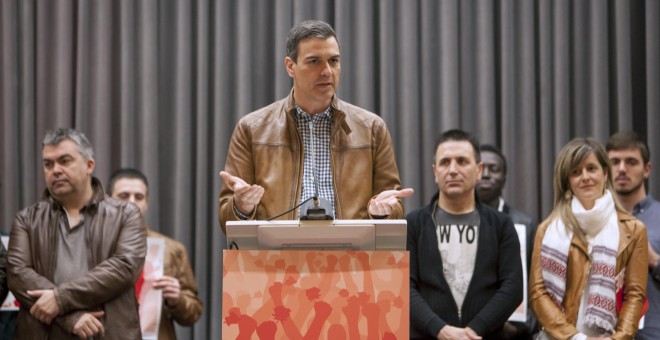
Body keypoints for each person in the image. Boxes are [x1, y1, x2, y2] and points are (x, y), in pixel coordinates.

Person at [218, 20, 413, 232]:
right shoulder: (251, 129)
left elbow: (394, 208)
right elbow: (227, 221)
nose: (327, 71)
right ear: (290, 66)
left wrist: (382, 212)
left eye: (334, 60)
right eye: (314, 61)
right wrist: (242, 206)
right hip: (276, 259)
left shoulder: (372, 128)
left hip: (352, 257)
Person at [7, 128, 146, 339]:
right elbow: (18, 275)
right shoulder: (27, 219)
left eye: (65, 161)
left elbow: (124, 267)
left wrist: (61, 298)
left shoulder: (126, 214)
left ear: (89, 165)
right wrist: (70, 317)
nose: (56, 170)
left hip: (108, 333)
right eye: (48, 164)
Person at [406, 129, 523, 339]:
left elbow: (512, 289)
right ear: (435, 171)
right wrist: (440, 330)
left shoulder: (501, 225)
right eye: (445, 162)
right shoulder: (413, 225)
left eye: (462, 161)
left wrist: (473, 331)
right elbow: (405, 287)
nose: (453, 170)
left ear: (478, 170)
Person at [530, 137, 647, 339]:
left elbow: (634, 295)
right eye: (575, 172)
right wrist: (576, 338)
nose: (584, 177)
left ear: (605, 173)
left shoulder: (633, 230)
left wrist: (618, 338)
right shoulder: (547, 230)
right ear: (568, 180)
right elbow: (538, 293)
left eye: (591, 168)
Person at [108, 168, 203, 340]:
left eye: (139, 197)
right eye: (123, 196)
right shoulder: (94, 246)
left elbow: (193, 313)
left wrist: (177, 299)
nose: (132, 202)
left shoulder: (172, 250)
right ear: (108, 201)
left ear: (147, 202)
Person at [477, 144, 538, 339]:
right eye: (480, 168)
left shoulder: (526, 225)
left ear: (504, 178)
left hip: (515, 332)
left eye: (493, 169)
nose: (486, 174)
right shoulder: (450, 223)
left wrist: (525, 324)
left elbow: (538, 284)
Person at [605, 131, 660, 340]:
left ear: (646, 169)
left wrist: (653, 259)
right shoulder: (591, 221)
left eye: (631, 162)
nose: (621, 169)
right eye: (614, 162)